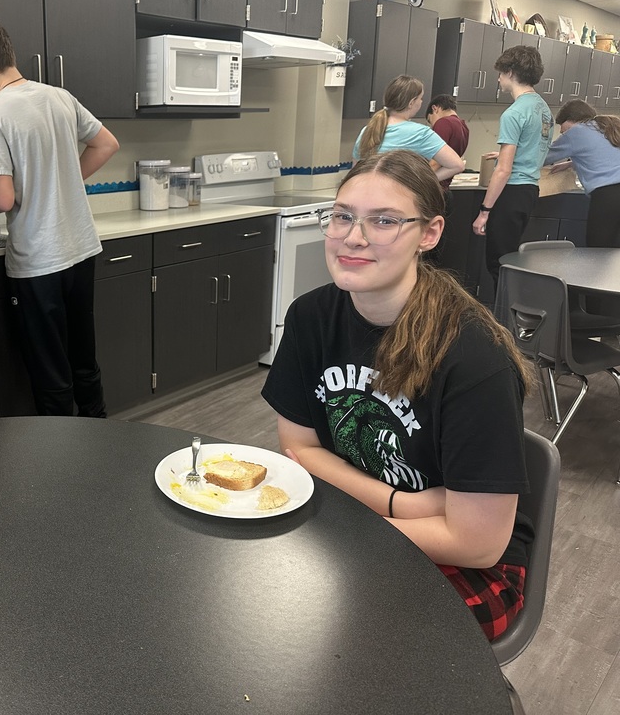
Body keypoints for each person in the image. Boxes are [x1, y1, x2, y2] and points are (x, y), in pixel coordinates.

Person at [262, 149, 534, 641]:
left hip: (470, 568)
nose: (353, 237)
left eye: (384, 221)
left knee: (320, 626)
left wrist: (354, 531)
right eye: (342, 216)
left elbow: (476, 544)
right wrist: (403, 502)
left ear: (429, 233)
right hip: (364, 514)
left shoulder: (474, 356)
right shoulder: (311, 318)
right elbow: (297, 449)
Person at [0, 12, 120, 417]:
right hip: (82, 249)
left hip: (39, 260)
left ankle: (59, 468)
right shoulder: (58, 95)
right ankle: (104, 445)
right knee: (84, 360)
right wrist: (61, 178)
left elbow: (3, 200)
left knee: (50, 372)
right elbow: (106, 144)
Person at [472, 45, 553, 290]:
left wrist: (485, 211)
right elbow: (535, 146)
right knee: (510, 259)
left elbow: (503, 171)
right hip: (529, 191)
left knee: (498, 265)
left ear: (510, 72)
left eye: (500, 72)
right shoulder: (544, 109)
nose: (498, 78)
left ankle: (503, 323)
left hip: (510, 193)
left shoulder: (514, 113)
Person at [353, 75, 465, 182]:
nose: (421, 102)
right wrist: (419, 184)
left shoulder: (367, 130)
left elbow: (355, 171)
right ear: (411, 103)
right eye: (420, 98)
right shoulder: (421, 133)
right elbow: (457, 165)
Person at [544, 99, 620, 248]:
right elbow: (604, 156)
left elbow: (542, 157)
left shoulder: (577, 132)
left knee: (598, 251)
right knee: (614, 254)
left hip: (608, 197)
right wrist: (571, 163)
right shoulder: (603, 127)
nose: (561, 131)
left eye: (562, 126)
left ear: (572, 120)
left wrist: (507, 155)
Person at [425, 94, 470, 190]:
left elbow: (435, 163)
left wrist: (419, 181)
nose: (432, 126)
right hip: (445, 186)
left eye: (430, 120)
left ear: (435, 109)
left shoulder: (443, 123)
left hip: (435, 187)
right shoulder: (464, 127)